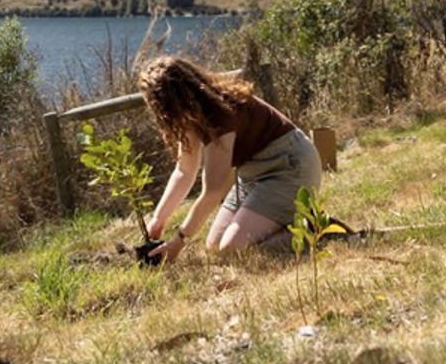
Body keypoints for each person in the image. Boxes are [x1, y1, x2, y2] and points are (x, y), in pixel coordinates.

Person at [137, 56, 322, 264]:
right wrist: (158, 219)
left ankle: (316, 232)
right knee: (215, 246)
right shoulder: (191, 114)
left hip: (289, 167)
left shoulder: (220, 113)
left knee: (232, 248)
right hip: (252, 176)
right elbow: (184, 171)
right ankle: (283, 224)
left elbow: (213, 191)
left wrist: (178, 242)